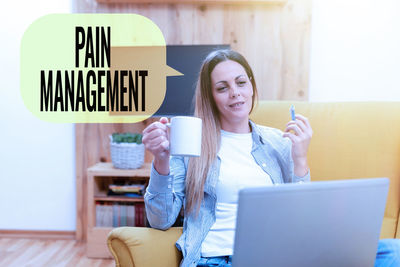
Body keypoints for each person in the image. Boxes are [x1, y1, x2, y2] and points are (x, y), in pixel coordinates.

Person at [142, 50, 400, 267]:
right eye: (223, 88)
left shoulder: (277, 141)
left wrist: (300, 159)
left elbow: (301, 217)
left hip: (278, 257)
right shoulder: (191, 144)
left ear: (252, 86)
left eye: (241, 83)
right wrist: (161, 160)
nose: (235, 93)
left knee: (392, 252)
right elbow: (160, 219)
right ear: (211, 97)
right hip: (218, 259)